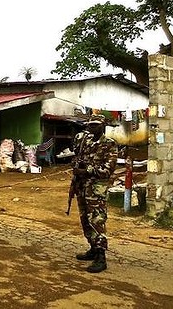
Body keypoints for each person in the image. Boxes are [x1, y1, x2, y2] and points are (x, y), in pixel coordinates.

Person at [70, 114, 117, 273]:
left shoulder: (109, 144)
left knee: (97, 220)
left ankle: (101, 257)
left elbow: (107, 170)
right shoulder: (85, 142)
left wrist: (87, 170)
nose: (91, 127)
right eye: (90, 125)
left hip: (96, 189)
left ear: (102, 126)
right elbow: (78, 158)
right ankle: (92, 248)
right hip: (83, 187)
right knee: (85, 219)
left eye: (95, 125)